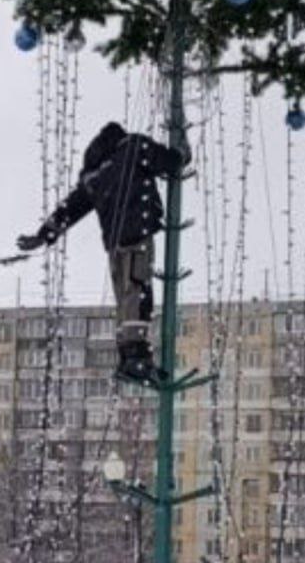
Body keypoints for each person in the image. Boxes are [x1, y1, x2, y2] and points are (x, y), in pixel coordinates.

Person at [17, 121, 188, 383]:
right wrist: (179, 155)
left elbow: (70, 209)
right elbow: (167, 162)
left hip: (113, 244)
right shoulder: (132, 147)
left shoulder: (94, 175)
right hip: (137, 233)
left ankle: (127, 357)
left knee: (125, 298)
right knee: (138, 293)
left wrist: (44, 235)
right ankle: (137, 359)